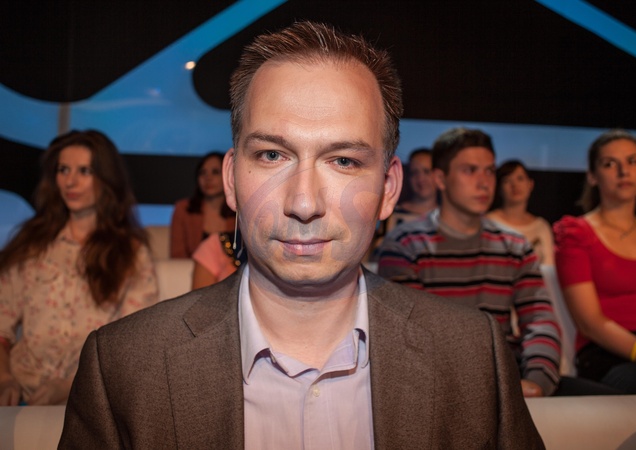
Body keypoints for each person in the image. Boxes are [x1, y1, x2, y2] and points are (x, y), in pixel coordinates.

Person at [59, 22, 543, 448]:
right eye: (272, 155)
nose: (304, 202)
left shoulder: (474, 357)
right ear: (231, 180)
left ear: (389, 189)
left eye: (344, 161)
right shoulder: (122, 368)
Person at [377, 127, 564, 397]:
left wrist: (537, 381)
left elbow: (540, 321)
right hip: (437, 388)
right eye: (470, 170)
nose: (484, 182)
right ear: (441, 178)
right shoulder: (406, 244)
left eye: (489, 171)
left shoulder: (514, 246)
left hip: (508, 379)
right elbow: (409, 337)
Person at [0, 130, 158, 406]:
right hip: (19, 396)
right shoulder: (31, 244)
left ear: (106, 179)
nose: (70, 181)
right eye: (63, 170)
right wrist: (4, 380)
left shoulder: (131, 254)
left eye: (84, 171)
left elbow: (134, 345)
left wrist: (69, 388)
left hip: (91, 401)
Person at [554, 129, 636, 394]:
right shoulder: (576, 234)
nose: (624, 171)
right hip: (611, 356)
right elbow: (591, 324)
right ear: (592, 176)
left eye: (632, 161)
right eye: (610, 164)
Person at [487, 159, 554, 265]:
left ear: (530, 184)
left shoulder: (542, 226)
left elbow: (549, 267)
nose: (515, 185)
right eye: (507, 180)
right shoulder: (488, 222)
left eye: (520, 178)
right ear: (499, 187)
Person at [169, 151, 236, 258]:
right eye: (202, 173)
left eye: (215, 172)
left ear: (229, 176)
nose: (208, 178)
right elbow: (177, 257)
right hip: (190, 268)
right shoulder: (183, 209)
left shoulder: (240, 211)